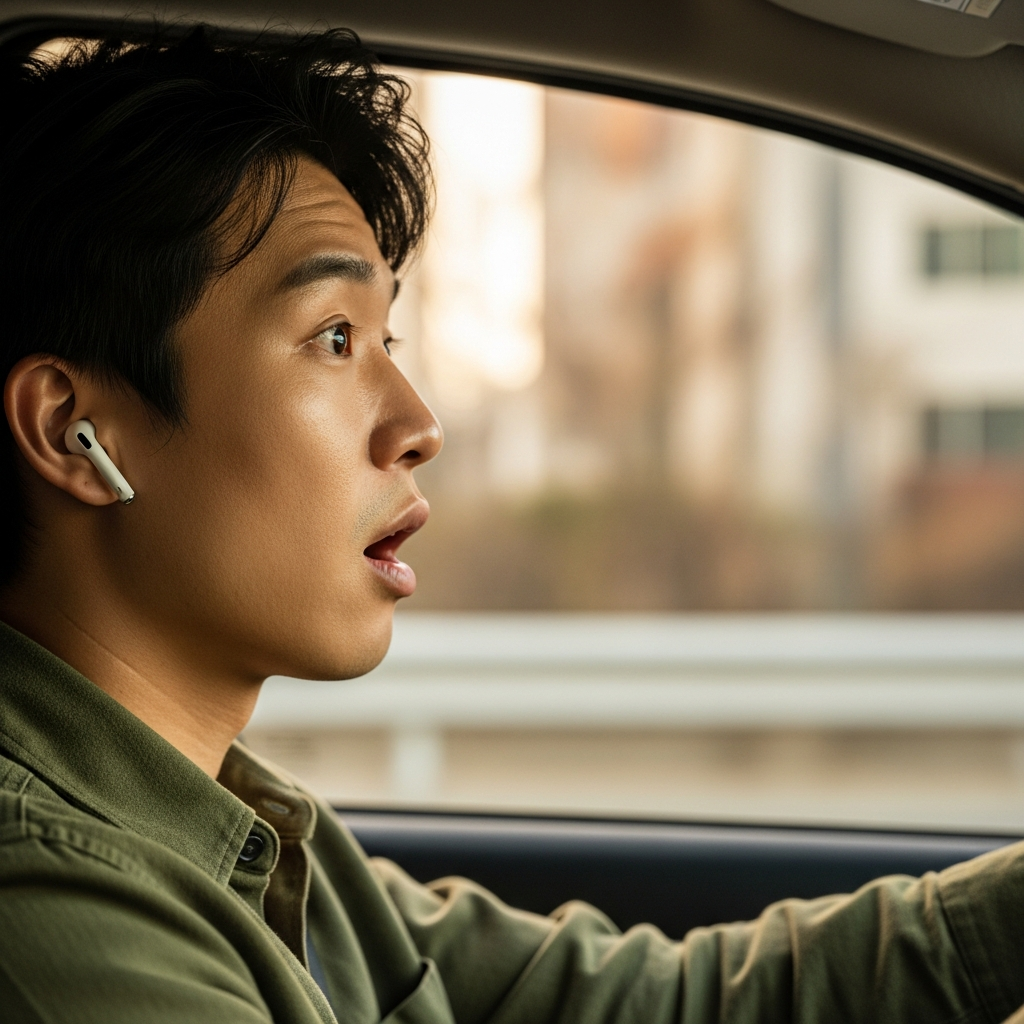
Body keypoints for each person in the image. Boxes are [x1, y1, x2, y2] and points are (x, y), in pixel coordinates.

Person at [0, 27, 1021, 1024]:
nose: (418, 426)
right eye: (335, 338)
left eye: (387, 339)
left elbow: (658, 1002)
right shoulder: (55, 905)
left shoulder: (250, 827)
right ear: (73, 430)